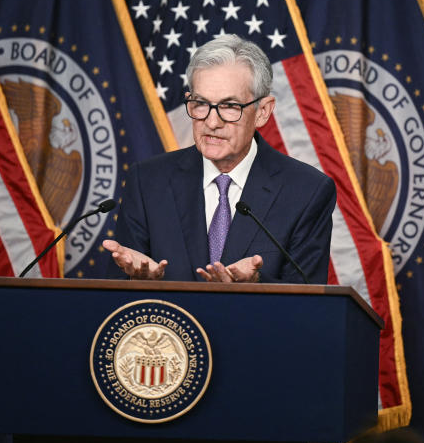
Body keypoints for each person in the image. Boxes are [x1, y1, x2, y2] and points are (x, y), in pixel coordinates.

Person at [102, 34, 336, 283]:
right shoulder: (147, 183)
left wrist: (254, 287)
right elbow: (116, 294)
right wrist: (140, 282)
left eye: (230, 106)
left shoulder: (307, 191)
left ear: (262, 112)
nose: (212, 122)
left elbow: (308, 304)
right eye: (201, 103)